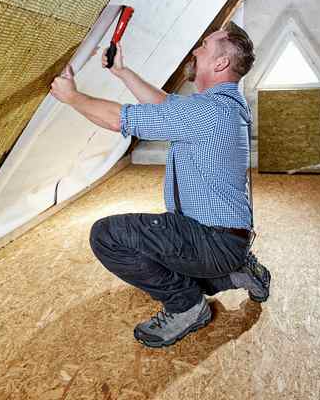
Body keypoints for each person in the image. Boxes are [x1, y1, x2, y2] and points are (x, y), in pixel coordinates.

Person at [50, 21, 271, 348]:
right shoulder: (224, 105)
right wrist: (122, 72)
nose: (196, 50)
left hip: (211, 238)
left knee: (107, 236)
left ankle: (187, 307)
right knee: (167, 255)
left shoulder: (208, 111)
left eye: (204, 46)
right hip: (225, 238)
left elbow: (120, 119)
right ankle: (235, 271)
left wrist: (72, 97)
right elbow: (166, 106)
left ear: (220, 63)